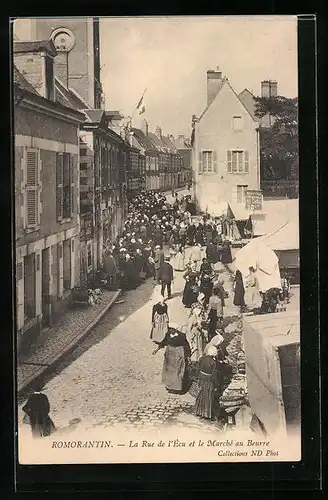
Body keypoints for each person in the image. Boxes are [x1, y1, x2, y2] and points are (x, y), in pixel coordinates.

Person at [153, 324, 191, 394]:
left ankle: (174, 387)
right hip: (174, 353)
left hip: (175, 353)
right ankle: (173, 387)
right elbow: (163, 342)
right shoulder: (174, 334)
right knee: (173, 370)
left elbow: (186, 345)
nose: (171, 330)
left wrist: (188, 355)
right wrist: (157, 349)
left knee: (174, 370)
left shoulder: (178, 335)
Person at [195, 346, 220, 420]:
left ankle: (199, 412)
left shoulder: (201, 359)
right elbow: (214, 375)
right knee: (208, 397)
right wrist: (216, 385)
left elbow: (197, 369)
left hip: (201, 379)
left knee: (201, 395)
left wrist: (198, 378)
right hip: (209, 381)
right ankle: (206, 414)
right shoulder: (213, 363)